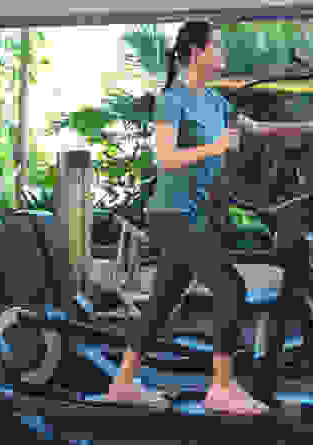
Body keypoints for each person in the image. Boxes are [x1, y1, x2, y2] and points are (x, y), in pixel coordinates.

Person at [105, 21, 299, 416]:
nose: (223, 54)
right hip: (173, 215)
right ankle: (222, 389)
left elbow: (256, 130)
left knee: (162, 304)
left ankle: (123, 383)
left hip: (196, 216)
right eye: (218, 47)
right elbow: (166, 157)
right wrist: (214, 147)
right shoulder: (173, 100)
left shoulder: (214, 101)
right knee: (230, 287)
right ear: (196, 52)